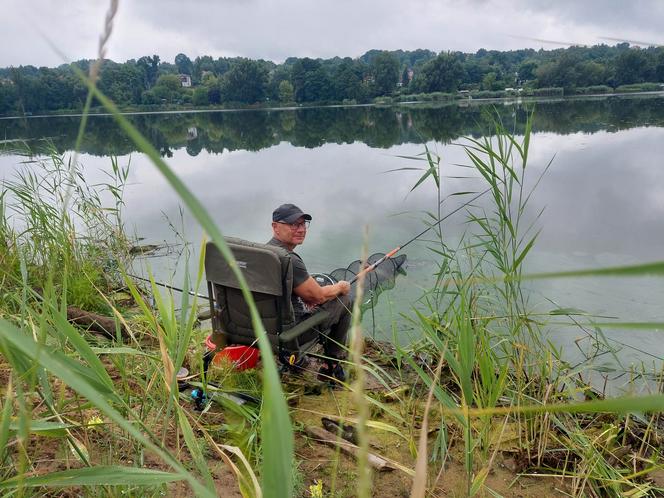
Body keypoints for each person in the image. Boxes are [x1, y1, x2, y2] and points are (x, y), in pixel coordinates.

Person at [267, 203, 351, 383]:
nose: (301, 229)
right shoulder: (289, 259)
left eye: (303, 224)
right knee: (345, 300)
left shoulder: (262, 253)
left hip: (257, 330)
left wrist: (306, 295)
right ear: (275, 226)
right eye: (293, 224)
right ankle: (331, 365)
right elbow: (318, 296)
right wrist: (340, 287)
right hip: (288, 335)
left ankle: (299, 360)